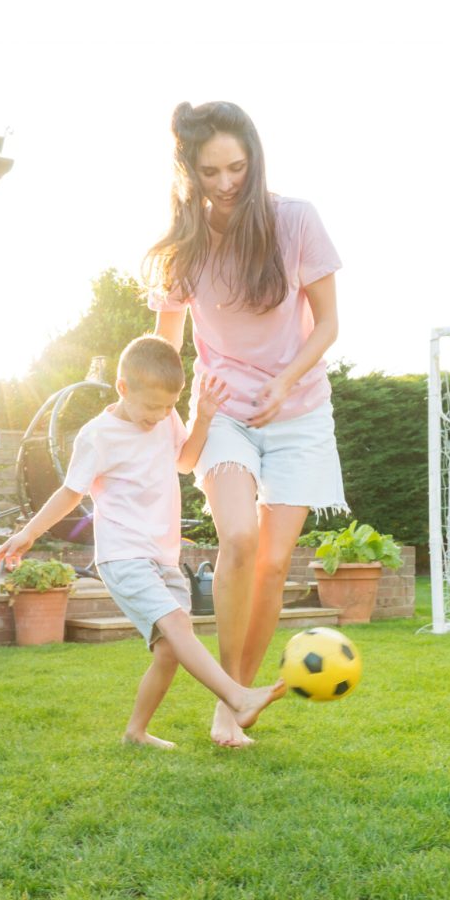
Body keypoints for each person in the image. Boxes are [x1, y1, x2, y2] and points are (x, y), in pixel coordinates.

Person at [145, 101, 348, 748]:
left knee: (273, 560)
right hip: (227, 412)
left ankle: (236, 698)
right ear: (189, 172)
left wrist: (285, 382)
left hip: (300, 410)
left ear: (254, 160)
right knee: (236, 538)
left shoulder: (294, 221)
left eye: (237, 167)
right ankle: (228, 700)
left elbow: (331, 325)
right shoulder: (185, 249)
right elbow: (164, 348)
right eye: (211, 172)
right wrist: (162, 417)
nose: (228, 181)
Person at [0, 335, 285, 749]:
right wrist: (27, 534)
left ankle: (136, 731)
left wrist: (200, 418)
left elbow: (184, 462)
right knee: (179, 626)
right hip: (124, 555)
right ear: (123, 387)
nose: (159, 415)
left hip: (163, 556)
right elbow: (69, 493)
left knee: (169, 651)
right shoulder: (97, 436)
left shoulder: (166, 420)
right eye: (152, 407)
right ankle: (236, 696)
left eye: (168, 406)